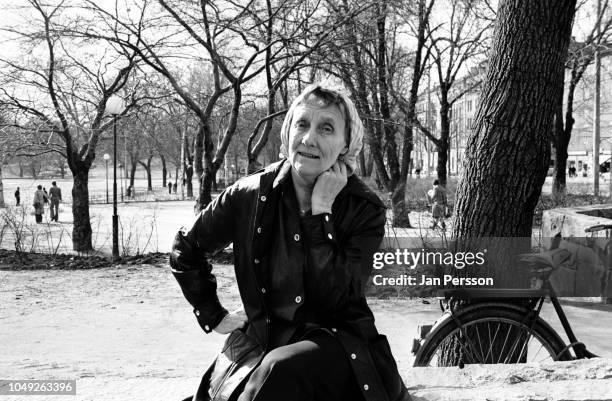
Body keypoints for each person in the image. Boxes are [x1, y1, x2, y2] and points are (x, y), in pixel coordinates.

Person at [170, 83, 408, 401]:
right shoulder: (250, 194)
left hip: (335, 342)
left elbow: (336, 299)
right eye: (302, 124)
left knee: (277, 370)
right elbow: (186, 247)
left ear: (345, 145)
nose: (309, 138)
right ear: (288, 132)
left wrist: (319, 214)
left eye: (326, 128)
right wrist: (214, 315)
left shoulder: (364, 208)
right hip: (264, 338)